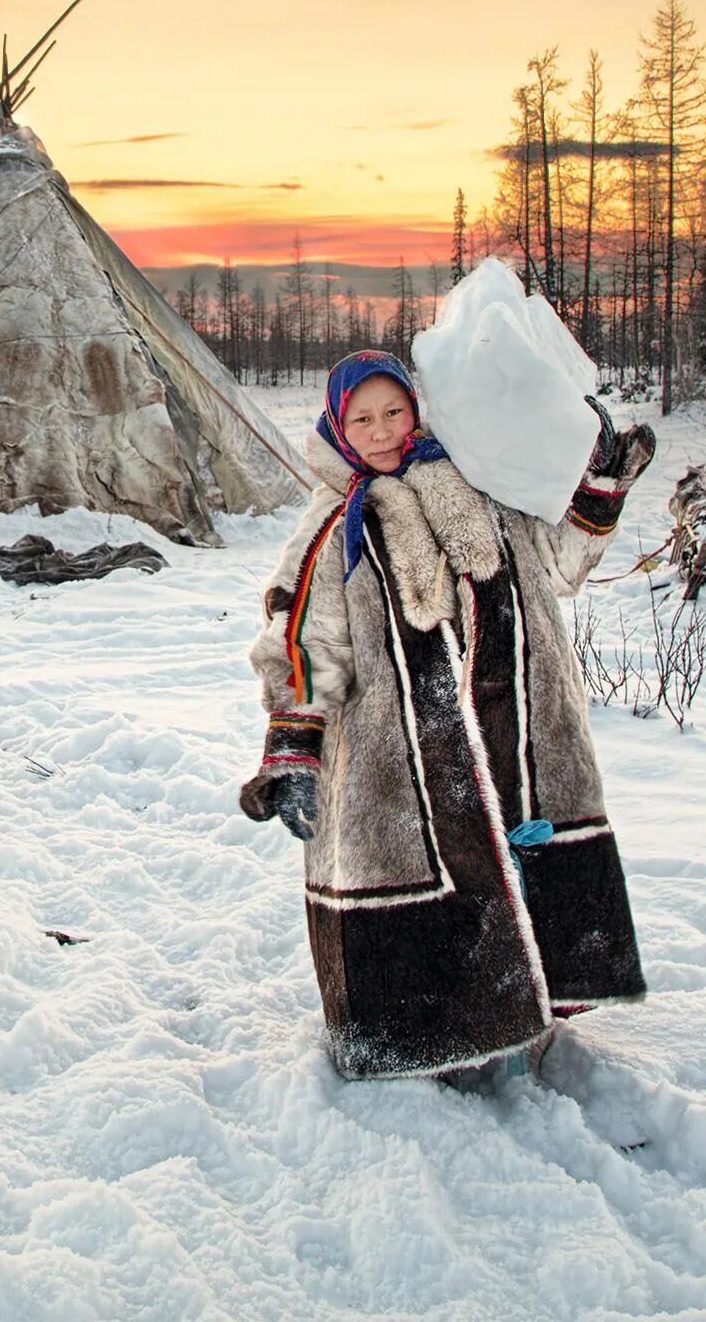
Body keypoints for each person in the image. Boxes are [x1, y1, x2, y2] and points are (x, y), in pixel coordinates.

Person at [240, 350, 657, 1089]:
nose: (381, 431)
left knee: (511, 856)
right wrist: (292, 750)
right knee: (431, 875)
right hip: (394, 752)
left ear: (418, 409)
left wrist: (597, 486)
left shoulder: (480, 489)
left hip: (505, 730)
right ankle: (437, 1047)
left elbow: (559, 565)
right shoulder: (334, 528)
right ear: (338, 425)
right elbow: (302, 641)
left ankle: (526, 1018)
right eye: (361, 419)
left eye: (394, 412)